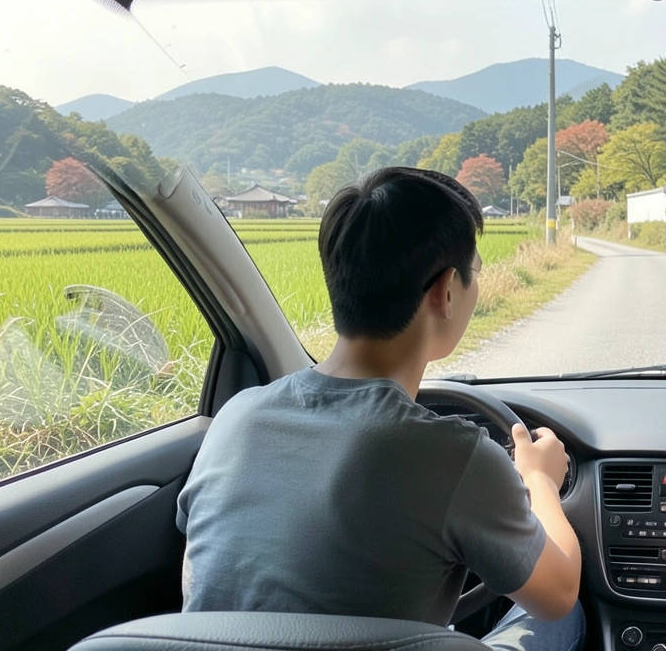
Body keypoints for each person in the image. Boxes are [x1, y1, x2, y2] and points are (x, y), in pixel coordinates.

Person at [176, 167, 583, 651]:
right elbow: (557, 593)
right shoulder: (451, 456)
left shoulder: (235, 419)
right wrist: (539, 480)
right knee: (566, 620)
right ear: (446, 291)